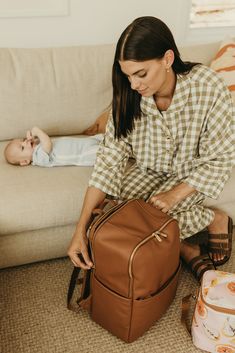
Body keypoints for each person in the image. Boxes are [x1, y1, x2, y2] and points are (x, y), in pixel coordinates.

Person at [68, 16, 235, 281]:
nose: (133, 84)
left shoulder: (208, 86)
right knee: (116, 215)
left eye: (141, 74)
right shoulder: (129, 94)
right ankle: (186, 244)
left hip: (192, 173)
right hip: (149, 170)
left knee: (149, 220)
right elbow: (108, 162)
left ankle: (211, 221)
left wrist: (173, 195)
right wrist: (79, 229)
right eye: (128, 75)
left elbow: (221, 158)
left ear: (167, 59)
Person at [4, 126, 103, 167]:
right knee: (105, 153)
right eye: (22, 148)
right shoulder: (38, 158)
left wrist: (32, 137)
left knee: (105, 138)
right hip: (83, 154)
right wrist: (37, 131)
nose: (25, 142)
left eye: (22, 140)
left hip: (84, 143)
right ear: (25, 161)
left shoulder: (36, 144)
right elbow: (47, 145)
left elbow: (42, 141)